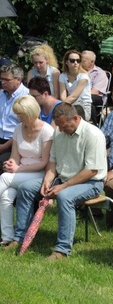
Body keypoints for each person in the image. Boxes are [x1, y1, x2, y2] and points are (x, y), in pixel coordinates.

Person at [10, 103, 106, 258]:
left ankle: (62, 249)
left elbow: (91, 170)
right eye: (59, 126)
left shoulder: (93, 134)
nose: (61, 130)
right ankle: (19, 237)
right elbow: (52, 163)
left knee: (64, 197)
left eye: (64, 126)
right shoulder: (58, 133)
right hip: (62, 179)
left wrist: (63, 186)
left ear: (75, 118)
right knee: (25, 188)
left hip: (91, 182)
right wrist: (47, 181)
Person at [0, 96, 53, 246]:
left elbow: (44, 162)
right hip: (19, 172)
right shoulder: (18, 128)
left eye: (20, 114)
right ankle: (7, 238)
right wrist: (11, 164)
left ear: (30, 112)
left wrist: (18, 169)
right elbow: (15, 156)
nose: (18, 117)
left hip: (38, 173)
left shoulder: (46, 131)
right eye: (17, 114)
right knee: (5, 195)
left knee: (3, 178)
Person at [0, 64, 30, 164]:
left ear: (18, 80)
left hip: (15, 142)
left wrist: (5, 146)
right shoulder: (1, 95)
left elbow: (26, 127)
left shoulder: (27, 97)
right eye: (1, 79)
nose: (2, 82)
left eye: (6, 80)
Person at [58, 50, 92, 121]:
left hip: (83, 107)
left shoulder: (83, 77)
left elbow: (74, 96)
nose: (75, 63)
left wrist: (60, 109)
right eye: (72, 60)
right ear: (66, 62)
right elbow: (63, 96)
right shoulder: (62, 76)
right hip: (69, 106)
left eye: (78, 61)